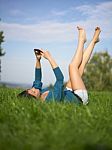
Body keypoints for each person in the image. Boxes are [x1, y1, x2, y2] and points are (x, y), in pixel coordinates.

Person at [18, 26, 101, 105]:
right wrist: (50, 58)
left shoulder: (39, 93)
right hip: (79, 97)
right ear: (35, 100)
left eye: (30, 89)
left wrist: (38, 60)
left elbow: (37, 79)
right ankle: (81, 40)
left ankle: (94, 40)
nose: (34, 88)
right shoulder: (50, 100)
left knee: (81, 65)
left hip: (68, 91)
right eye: (33, 92)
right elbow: (60, 78)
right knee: (72, 66)